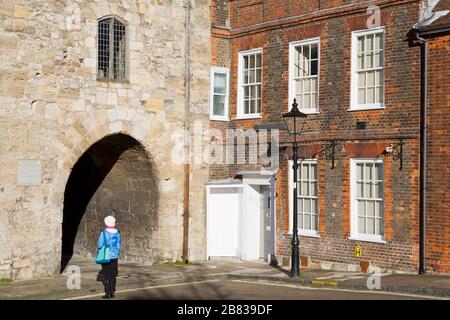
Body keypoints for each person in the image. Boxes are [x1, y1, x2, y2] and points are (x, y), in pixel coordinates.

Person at [97, 215, 121, 299]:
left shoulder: (103, 233)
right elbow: (118, 245)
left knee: (106, 275)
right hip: (114, 256)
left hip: (105, 256)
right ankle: (113, 292)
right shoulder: (117, 233)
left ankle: (108, 293)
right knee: (113, 275)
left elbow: (99, 244)